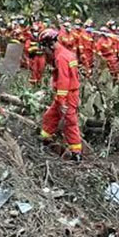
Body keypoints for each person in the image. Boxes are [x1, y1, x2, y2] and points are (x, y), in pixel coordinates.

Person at [40, 28, 83, 161]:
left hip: (68, 95)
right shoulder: (66, 53)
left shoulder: (61, 58)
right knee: (50, 116)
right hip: (66, 94)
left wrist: (62, 101)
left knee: (70, 123)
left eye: (44, 47)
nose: (44, 51)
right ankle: (45, 140)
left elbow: (64, 81)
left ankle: (76, 154)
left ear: (50, 45)